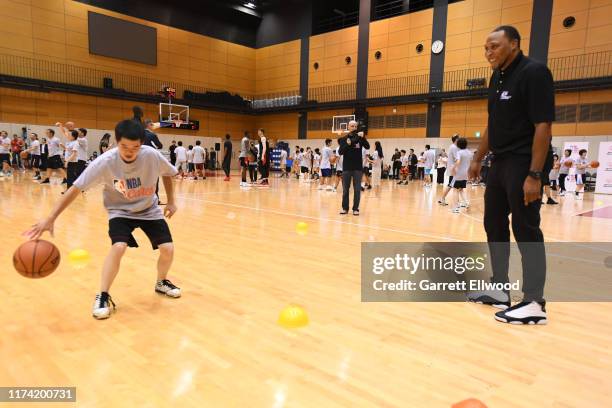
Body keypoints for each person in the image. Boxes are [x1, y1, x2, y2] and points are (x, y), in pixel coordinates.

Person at [25, 116, 180, 320]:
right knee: (118, 247)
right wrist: (51, 217)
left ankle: (161, 282)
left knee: (168, 249)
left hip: (148, 210)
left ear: (141, 144)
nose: (129, 151)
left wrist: (170, 201)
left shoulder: (151, 155)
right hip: (120, 211)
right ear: (117, 142)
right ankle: (103, 295)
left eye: (134, 147)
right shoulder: (105, 161)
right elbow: (75, 188)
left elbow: (168, 173)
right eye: (124, 146)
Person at [468, 25, 554, 324]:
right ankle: (500, 289)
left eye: (495, 46)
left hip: (524, 161)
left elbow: (543, 125)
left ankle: (534, 302)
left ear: (514, 44)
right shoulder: (498, 77)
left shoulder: (534, 72)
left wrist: (535, 173)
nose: (489, 52)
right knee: (493, 223)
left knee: (526, 229)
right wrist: (478, 158)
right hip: (501, 162)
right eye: (486, 48)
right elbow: (493, 121)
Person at [338, 120, 370, 215]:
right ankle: (345, 208)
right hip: (347, 168)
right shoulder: (344, 139)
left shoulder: (360, 138)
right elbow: (340, 152)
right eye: (352, 126)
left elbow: (367, 146)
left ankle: (355, 209)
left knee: (357, 190)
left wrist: (363, 137)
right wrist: (348, 144)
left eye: (355, 126)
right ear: (348, 127)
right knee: (345, 189)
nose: (354, 128)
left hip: (357, 168)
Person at [450, 138, 472, 213]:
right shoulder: (470, 152)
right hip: (466, 174)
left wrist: (453, 167)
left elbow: (458, 161)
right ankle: (466, 203)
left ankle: (455, 208)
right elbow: (471, 163)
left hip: (459, 173)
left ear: (458, 145)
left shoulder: (459, 152)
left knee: (455, 190)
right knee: (461, 189)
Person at [437, 135, 460, 205]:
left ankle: (443, 199)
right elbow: (457, 160)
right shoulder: (454, 147)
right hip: (454, 170)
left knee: (453, 186)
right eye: (458, 138)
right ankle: (456, 204)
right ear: (456, 140)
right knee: (455, 187)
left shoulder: (452, 147)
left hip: (452, 170)